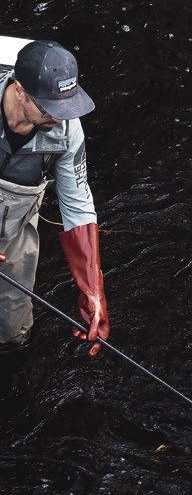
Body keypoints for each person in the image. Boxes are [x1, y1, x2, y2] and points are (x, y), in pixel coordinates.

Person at [0, 39, 109, 356]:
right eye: (50, 108)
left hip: (14, 227)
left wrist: (93, 291)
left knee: (12, 329)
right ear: (19, 90)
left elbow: (77, 203)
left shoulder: (67, 131)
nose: (61, 119)